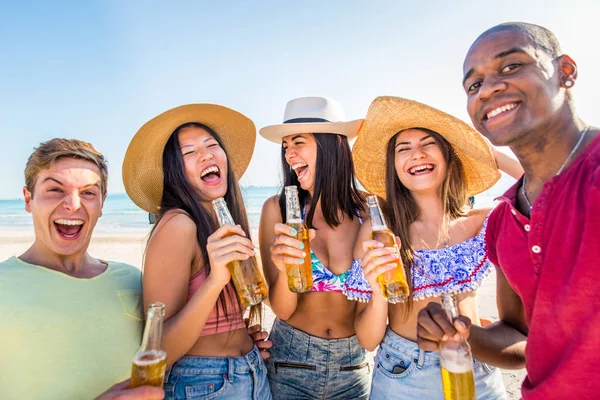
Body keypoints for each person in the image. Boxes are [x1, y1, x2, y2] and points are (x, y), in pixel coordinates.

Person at [417, 22, 600, 399]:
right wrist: (463, 333)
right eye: (473, 85)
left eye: (511, 66)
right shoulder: (504, 219)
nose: (488, 88)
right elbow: (520, 337)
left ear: (565, 72)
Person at [349, 96, 522, 399]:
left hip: (477, 362)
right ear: (395, 168)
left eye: (428, 144)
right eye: (403, 149)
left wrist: (489, 154)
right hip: (404, 373)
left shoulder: (484, 221)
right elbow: (367, 339)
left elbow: (551, 193)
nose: (416, 154)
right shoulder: (380, 231)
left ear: (448, 156)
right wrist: (377, 290)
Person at [122, 104, 272, 400]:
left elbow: (212, 322)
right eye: (188, 153)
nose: (205, 155)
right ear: (175, 171)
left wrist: (242, 335)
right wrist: (215, 280)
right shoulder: (178, 225)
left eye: (212, 145)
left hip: (250, 373)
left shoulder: (222, 221)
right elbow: (159, 349)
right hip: (204, 384)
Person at [0, 138, 161, 400]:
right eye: (55, 190)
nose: (73, 204)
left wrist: (238, 342)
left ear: (102, 204)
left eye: (88, 193)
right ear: (28, 199)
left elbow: (170, 351)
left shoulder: (134, 281)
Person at [258, 97, 371, 399]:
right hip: (290, 362)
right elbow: (281, 308)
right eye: (285, 146)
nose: (289, 155)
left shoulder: (369, 211)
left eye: (298, 143)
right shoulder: (277, 210)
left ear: (331, 145)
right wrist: (284, 271)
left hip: (353, 367)